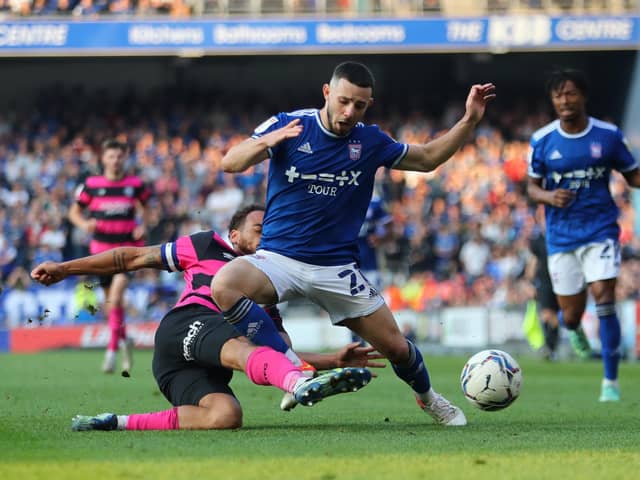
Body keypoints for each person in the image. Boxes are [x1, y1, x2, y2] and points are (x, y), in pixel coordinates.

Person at [211, 61, 495, 426]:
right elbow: (230, 163)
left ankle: (429, 398)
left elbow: (426, 159)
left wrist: (469, 120)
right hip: (278, 259)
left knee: (395, 347)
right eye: (343, 101)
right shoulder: (290, 124)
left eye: (358, 106)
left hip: (335, 268)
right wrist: (269, 141)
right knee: (225, 285)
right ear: (327, 93)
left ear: (368, 105)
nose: (349, 112)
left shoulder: (370, 141)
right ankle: (294, 369)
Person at [31, 205, 380, 431]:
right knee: (244, 344)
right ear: (234, 236)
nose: (267, 236)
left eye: (272, 231)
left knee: (226, 416)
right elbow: (131, 258)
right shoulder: (206, 247)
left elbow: (279, 357)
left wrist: (330, 359)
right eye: (259, 229)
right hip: (185, 325)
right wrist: (65, 268)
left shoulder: (268, 288)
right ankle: (298, 386)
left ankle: (114, 423)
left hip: (192, 367)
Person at [527, 68, 640, 402]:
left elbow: (632, 176)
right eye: (558, 95)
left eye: (571, 93)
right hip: (561, 236)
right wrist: (549, 197)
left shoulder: (608, 135)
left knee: (605, 296)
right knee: (572, 314)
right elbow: (532, 188)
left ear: (583, 96)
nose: (564, 100)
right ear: (552, 100)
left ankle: (610, 382)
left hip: (601, 229)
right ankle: (572, 328)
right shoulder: (542, 140)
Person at [68, 139, 152, 375]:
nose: (115, 161)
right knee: (112, 306)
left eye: (119, 156)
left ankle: (111, 353)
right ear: (104, 159)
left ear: (125, 158)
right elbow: (73, 212)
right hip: (100, 253)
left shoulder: (135, 184)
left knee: (115, 298)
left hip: (127, 252)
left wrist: (142, 225)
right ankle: (125, 344)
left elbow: (148, 208)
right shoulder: (92, 184)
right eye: (111, 156)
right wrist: (84, 223)